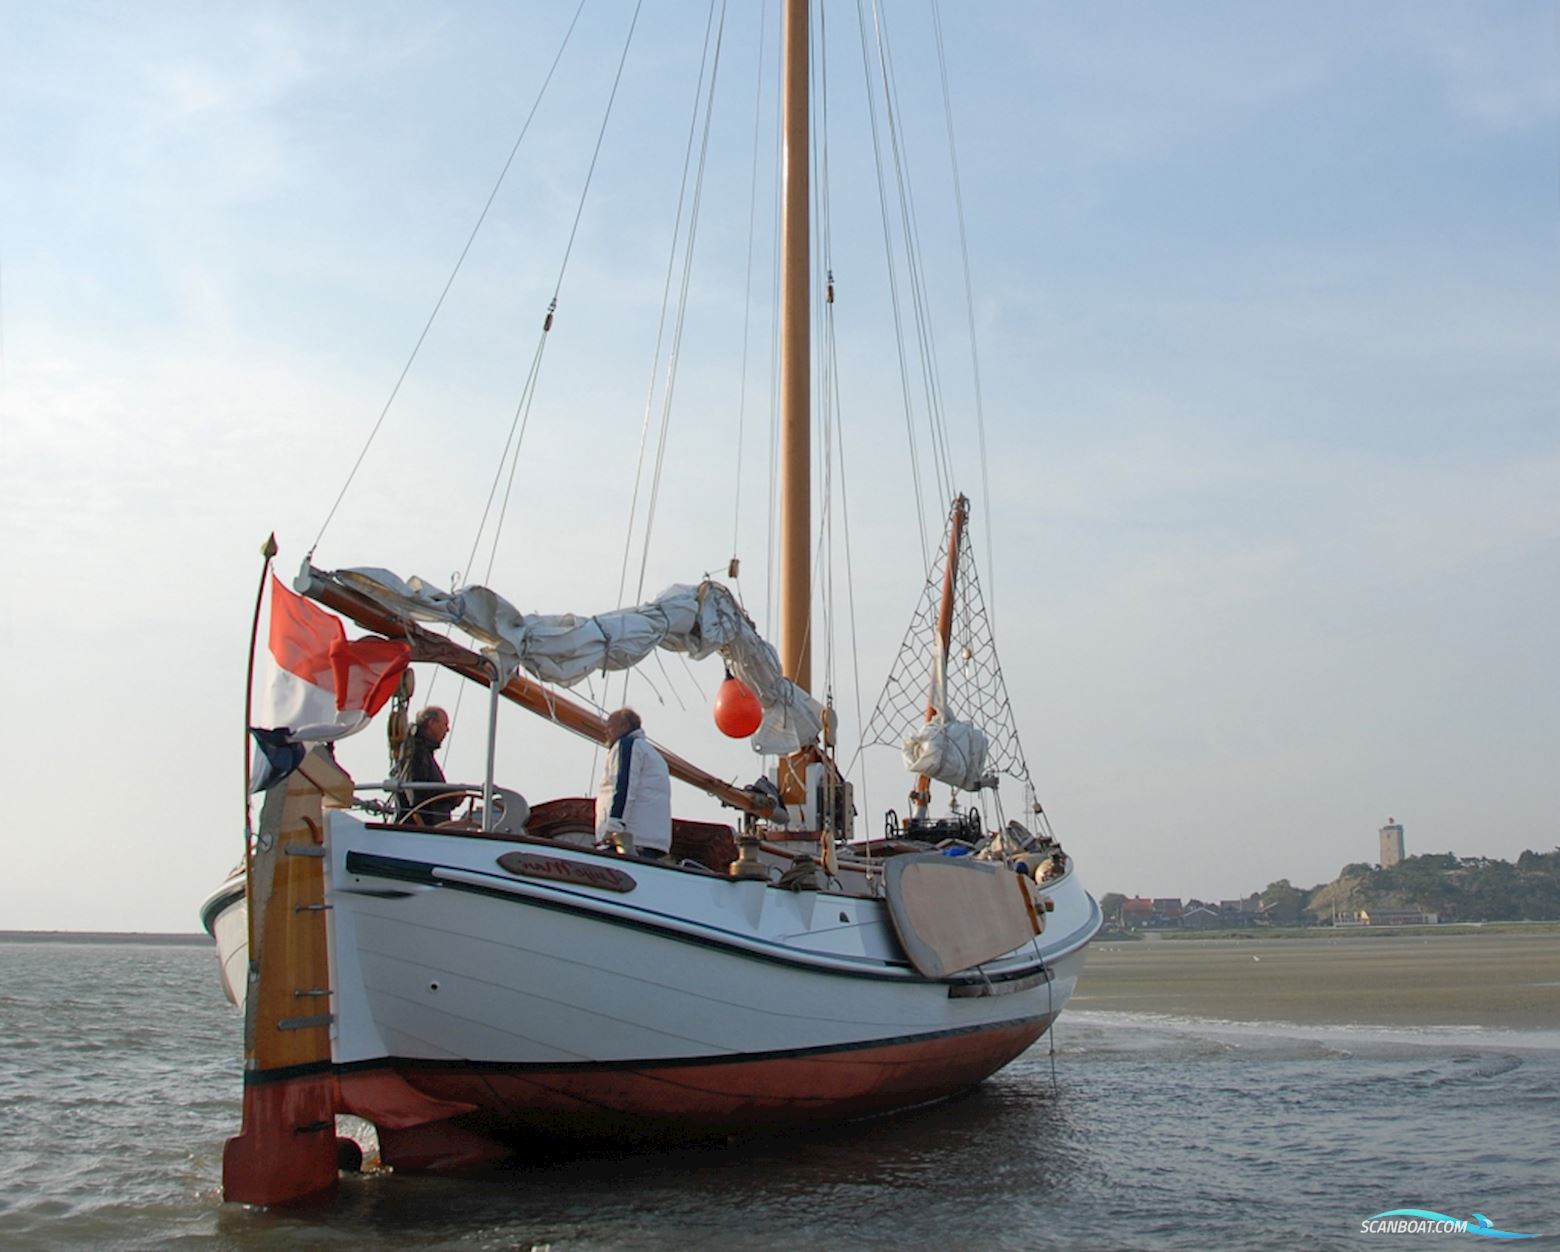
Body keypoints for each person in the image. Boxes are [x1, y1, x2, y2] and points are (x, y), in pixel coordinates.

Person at [594, 707, 671, 858]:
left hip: (629, 840)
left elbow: (624, 786)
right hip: (651, 840)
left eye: (610, 726)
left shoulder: (628, 745)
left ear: (625, 726)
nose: (606, 730)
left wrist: (614, 827)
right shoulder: (652, 753)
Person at [399, 706, 459, 825]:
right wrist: (451, 796)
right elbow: (417, 793)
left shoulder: (421, 752)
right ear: (431, 723)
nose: (447, 730)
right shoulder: (416, 753)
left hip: (428, 831)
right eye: (444, 724)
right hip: (420, 832)